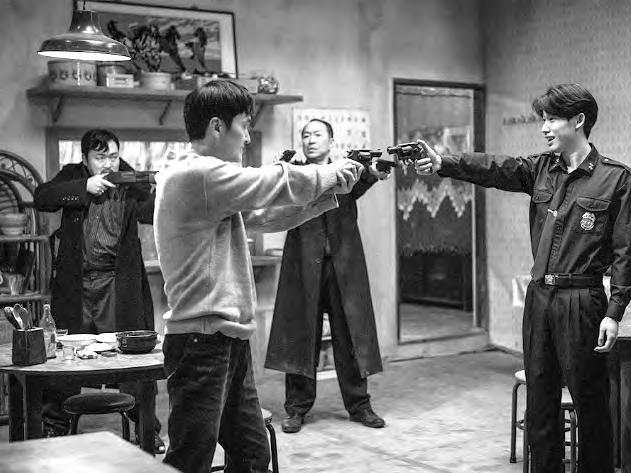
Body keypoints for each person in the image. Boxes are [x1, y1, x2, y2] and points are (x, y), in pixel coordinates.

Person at [413, 84, 631, 473]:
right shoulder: (539, 169)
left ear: (579, 120)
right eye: (543, 119)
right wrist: (443, 162)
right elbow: (494, 167)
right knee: (539, 404)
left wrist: (614, 312)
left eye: (552, 119)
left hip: (582, 300)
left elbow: (625, 253)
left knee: (590, 405)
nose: (544, 128)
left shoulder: (618, 180)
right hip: (540, 299)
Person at [154, 80, 364, 473]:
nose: (248, 137)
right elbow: (270, 182)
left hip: (226, 339)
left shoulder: (208, 182)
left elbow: (262, 215)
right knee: (190, 459)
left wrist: (327, 193)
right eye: (243, 126)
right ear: (217, 127)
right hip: (201, 341)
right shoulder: (197, 174)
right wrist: (329, 171)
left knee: (252, 456)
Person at [34, 128, 166, 452]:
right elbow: (42, 197)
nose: (108, 163)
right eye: (100, 157)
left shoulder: (128, 178)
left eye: (113, 156)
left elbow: (154, 212)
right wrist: (84, 187)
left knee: (133, 359)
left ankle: (147, 428)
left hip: (117, 284)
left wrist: (161, 188)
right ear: (85, 159)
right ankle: (54, 426)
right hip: (77, 285)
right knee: (63, 358)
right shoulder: (73, 175)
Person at [264, 118, 388, 434]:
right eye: (306, 135)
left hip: (343, 264)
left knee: (350, 334)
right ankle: (296, 409)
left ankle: (360, 405)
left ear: (331, 142)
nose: (310, 139)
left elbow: (365, 178)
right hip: (303, 265)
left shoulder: (346, 171)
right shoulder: (294, 174)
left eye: (317, 134)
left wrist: (376, 172)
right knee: (300, 334)